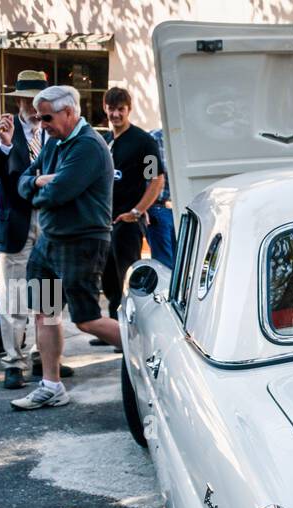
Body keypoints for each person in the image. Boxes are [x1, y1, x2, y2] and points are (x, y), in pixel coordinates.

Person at [12, 85, 116, 410]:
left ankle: (156, 354)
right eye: (39, 118)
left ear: (69, 112)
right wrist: (39, 182)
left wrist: (40, 189)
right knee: (46, 313)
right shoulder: (56, 142)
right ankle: (51, 385)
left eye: (47, 117)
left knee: (86, 319)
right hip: (50, 242)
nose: (42, 124)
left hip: (81, 241)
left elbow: (58, 194)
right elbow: (24, 181)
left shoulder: (87, 146)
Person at [0, 70, 73, 390]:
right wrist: (3, 147)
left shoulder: (55, 128)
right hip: (15, 221)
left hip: (49, 220)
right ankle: (13, 361)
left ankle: (42, 355)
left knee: (48, 296)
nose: (33, 108)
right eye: (27, 100)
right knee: (14, 296)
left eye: (38, 100)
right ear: (17, 99)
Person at [97, 87, 164, 344]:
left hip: (127, 221)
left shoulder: (143, 141)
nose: (115, 114)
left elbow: (156, 180)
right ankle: (112, 331)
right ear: (105, 108)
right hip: (104, 221)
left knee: (127, 278)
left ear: (129, 109)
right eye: (111, 109)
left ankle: (131, 333)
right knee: (108, 279)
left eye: (120, 109)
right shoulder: (104, 140)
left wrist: (137, 211)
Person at [145, 127, 175, 269]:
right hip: (158, 207)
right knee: (164, 265)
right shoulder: (154, 139)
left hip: (178, 209)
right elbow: (150, 178)